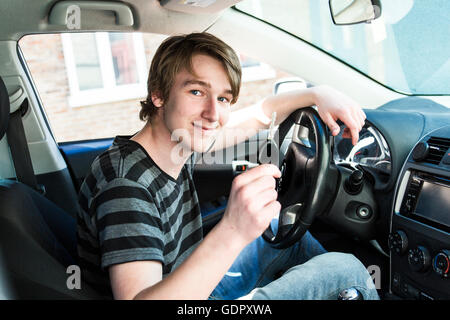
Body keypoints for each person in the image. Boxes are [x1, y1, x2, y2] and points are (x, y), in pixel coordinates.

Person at [76, 32, 379, 300]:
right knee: (346, 272)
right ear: (158, 93)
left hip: (185, 280)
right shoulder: (126, 184)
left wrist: (317, 93)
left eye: (223, 98)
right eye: (196, 91)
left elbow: (260, 113)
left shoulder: (176, 142)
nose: (213, 114)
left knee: (278, 230)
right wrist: (234, 230)